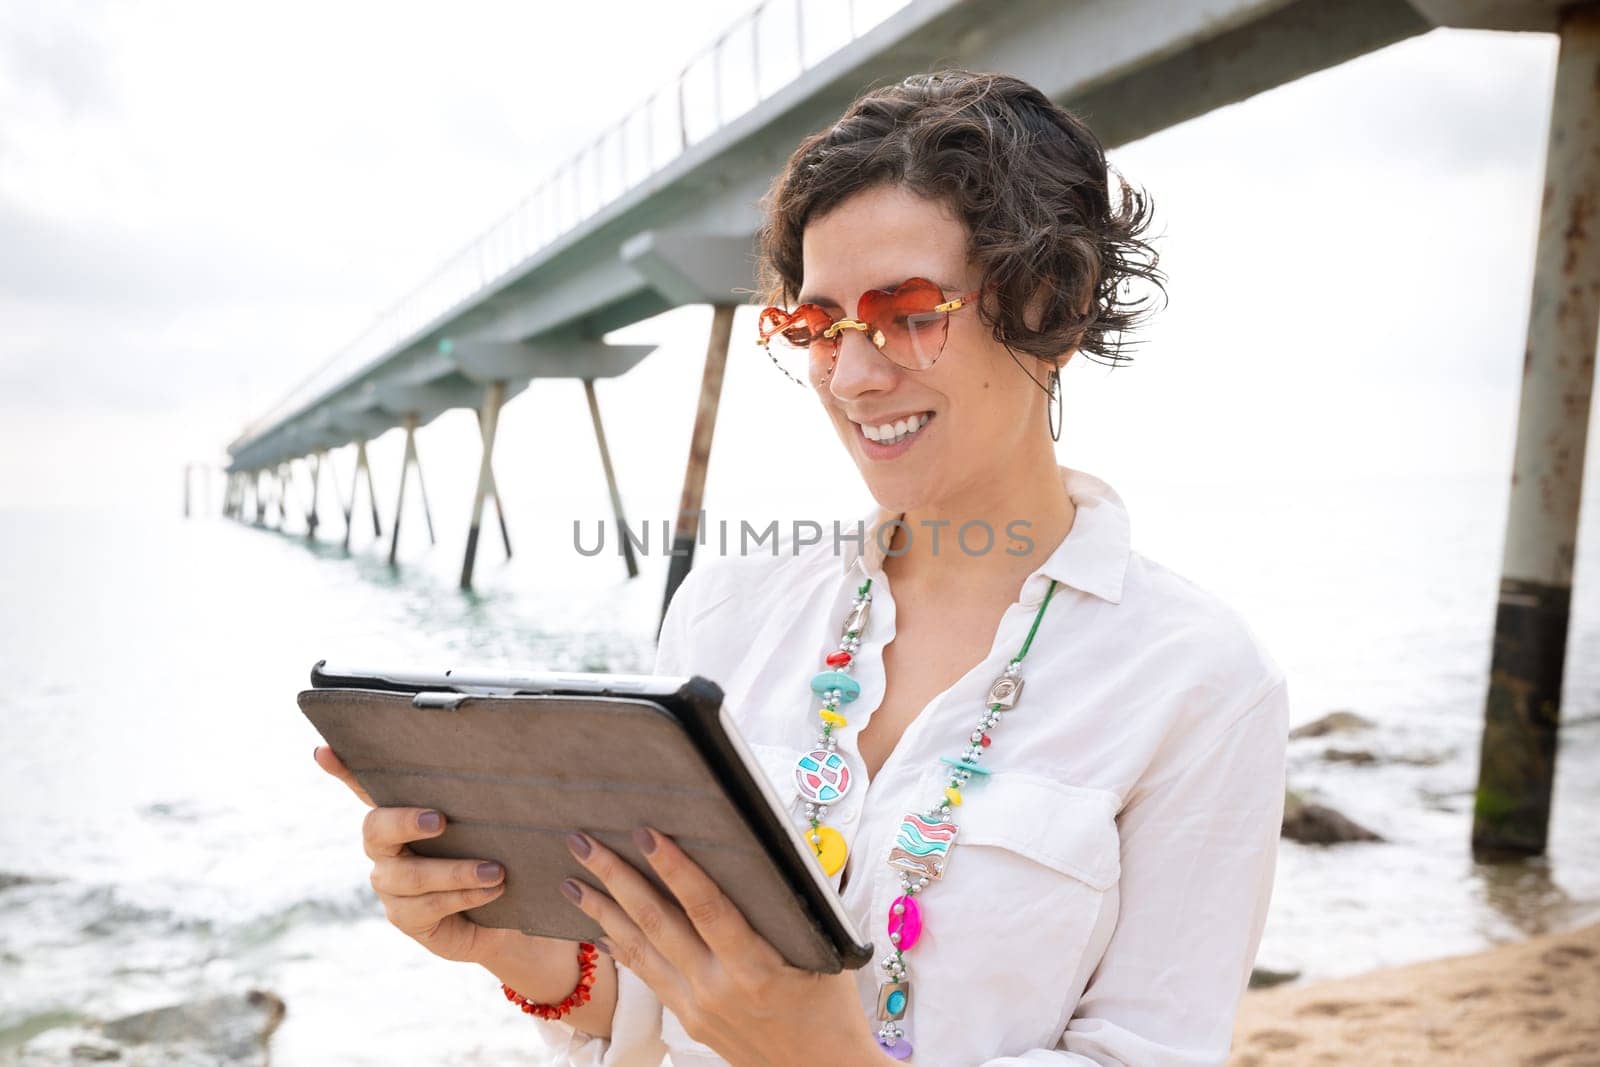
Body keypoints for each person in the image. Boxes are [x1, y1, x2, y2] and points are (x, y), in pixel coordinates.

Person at [315, 68, 1290, 1065]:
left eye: (909, 311)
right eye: (817, 324)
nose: (854, 375)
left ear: (1056, 303)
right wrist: (518, 946)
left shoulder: (1197, 680)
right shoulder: (732, 611)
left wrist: (822, 1055)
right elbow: (655, 1007)